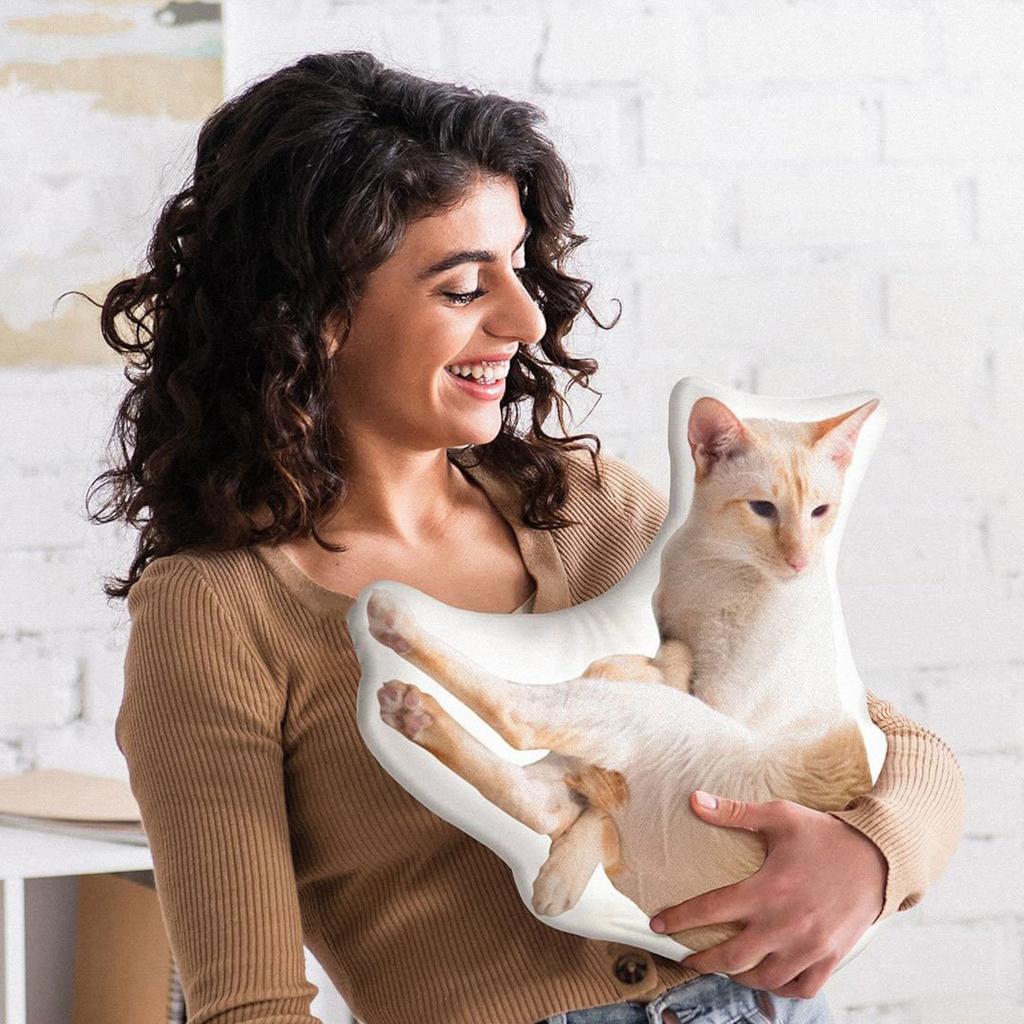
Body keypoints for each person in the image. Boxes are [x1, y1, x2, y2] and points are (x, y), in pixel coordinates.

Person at [89, 51, 965, 1024]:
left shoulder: (595, 508)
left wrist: (873, 857)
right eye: (465, 287)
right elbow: (247, 1003)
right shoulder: (215, 611)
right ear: (317, 314)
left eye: (517, 267)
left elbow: (893, 740)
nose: (523, 315)